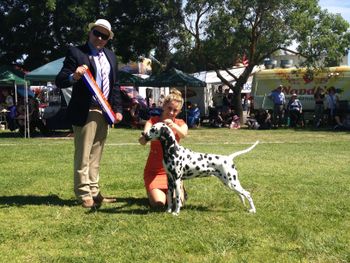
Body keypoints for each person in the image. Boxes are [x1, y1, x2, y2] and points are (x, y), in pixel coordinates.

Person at [55, 19, 123, 208]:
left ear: (108, 39)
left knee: (96, 155)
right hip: (86, 110)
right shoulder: (76, 52)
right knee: (83, 154)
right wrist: (74, 76)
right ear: (90, 32)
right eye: (96, 33)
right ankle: (83, 193)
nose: (99, 38)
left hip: (105, 111)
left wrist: (118, 110)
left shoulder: (111, 56)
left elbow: (115, 85)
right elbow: (60, 80)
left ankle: (94, 191)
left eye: (104, 36)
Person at [139, 88, 188, 208]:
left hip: (172, 170)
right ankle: (155, 190)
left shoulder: (180, 123)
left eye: (175, 110)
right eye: (169, 108)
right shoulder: (153, 121)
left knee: (178, 203)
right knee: (159, 204)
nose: (171, 113)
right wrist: (144, 138)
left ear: (179, 111)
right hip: (155, 171)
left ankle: (179, 188)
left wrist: (174, 126)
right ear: (164, 105)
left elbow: (183, 134)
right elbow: (144, 138)